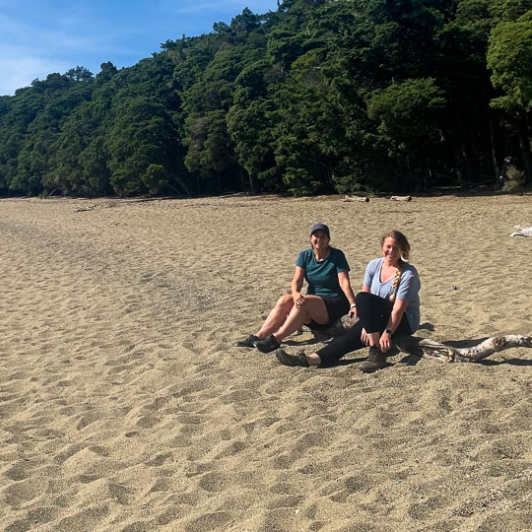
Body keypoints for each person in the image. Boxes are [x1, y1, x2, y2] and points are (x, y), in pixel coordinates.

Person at [275, 230, 421, 373]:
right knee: (346, 340)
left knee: (362, 299)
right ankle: (308, 360)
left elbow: (398, 309)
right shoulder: (374, 265)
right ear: (382, 246)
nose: (391, 251)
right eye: (388, 246)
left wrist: (387, 332)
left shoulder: (408, 273)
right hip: (378, 317)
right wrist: (368, 325)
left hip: (404, 320)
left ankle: (376, 354)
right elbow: (367, 300)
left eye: (396, 248)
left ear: (402, 250)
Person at [236, 223, 357, 353]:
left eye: (323, 237)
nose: (319, 240)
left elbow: (344, 282)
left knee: (305, 301)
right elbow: (297, 280)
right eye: (316, 236)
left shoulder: (337, 255)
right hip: (312, 304)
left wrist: (353, 304)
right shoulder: (305, 255)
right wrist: (295, 293)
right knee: (285, 299)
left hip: (333, 304)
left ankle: (276, 339)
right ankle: (259, 336)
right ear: (311, 238)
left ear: (328, 240)